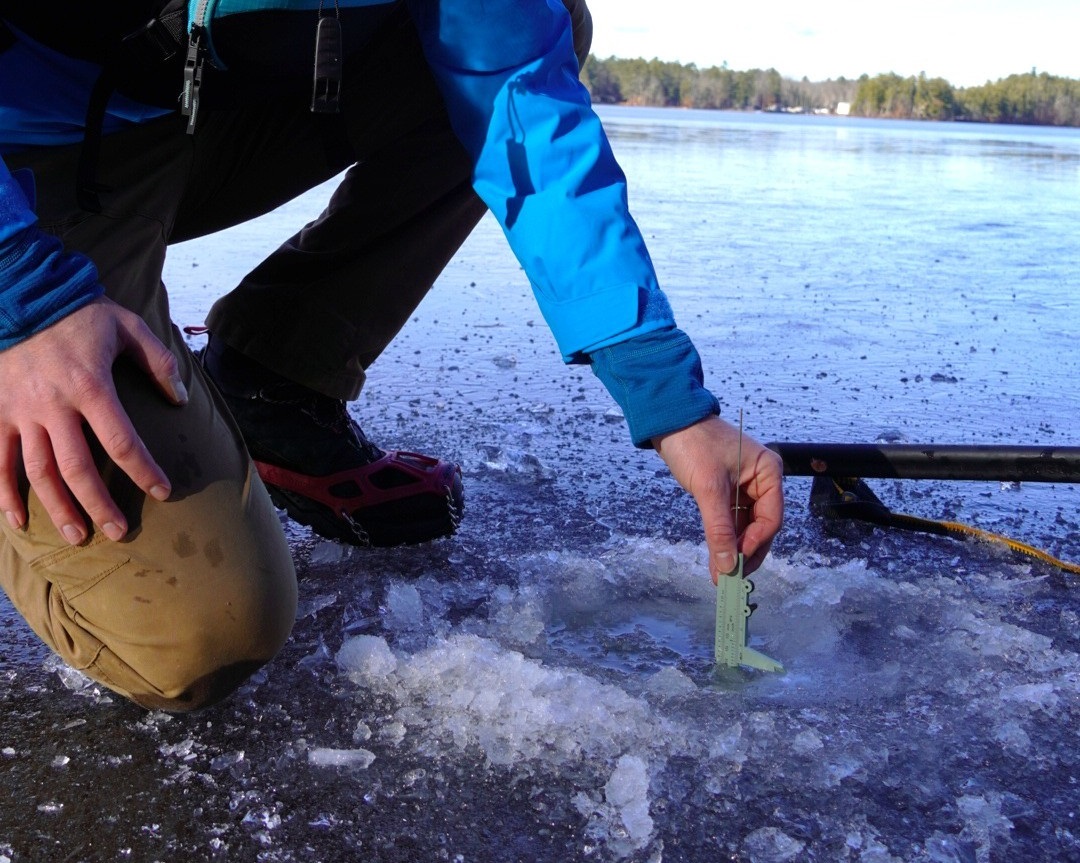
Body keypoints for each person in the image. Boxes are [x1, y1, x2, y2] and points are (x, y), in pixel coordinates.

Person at [0, 0, 783, 711]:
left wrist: (673, 403)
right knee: (201, 634)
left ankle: (276, 376)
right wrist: (25, 301)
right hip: (32, 146)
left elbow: (517, 101)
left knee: (539, 28)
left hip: (196, 113)